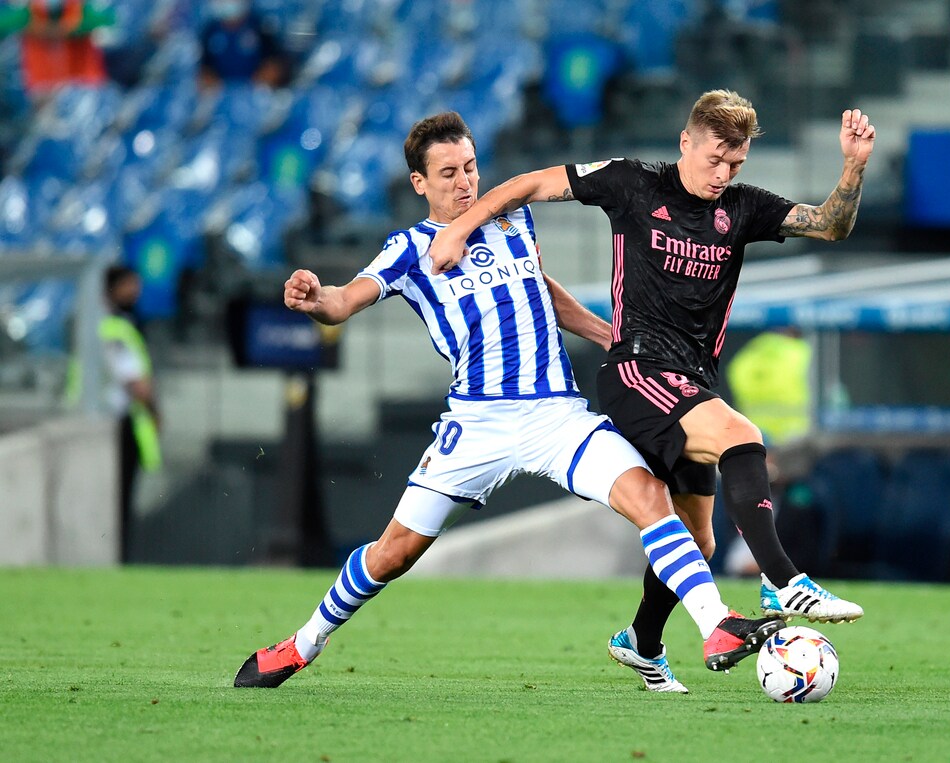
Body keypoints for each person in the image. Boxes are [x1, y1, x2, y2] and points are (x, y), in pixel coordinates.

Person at [233, 112, 783, 691]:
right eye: (447, 173)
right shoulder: (409, 248)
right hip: (477, 421)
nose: (464, 182)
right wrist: (317, 297)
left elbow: (540, 288)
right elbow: (346, 301)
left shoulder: (513, 218)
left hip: (556, 413)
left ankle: (715, 625)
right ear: (419, 183)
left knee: (651, 497)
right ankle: (302, 644)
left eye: (470, 168)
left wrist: (609, 336)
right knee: (392, 555)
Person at [428, 90, 873, 692]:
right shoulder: (632, 183)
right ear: (686, 142)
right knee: (744, 437)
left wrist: (852, 166)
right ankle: (782, 580)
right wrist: (458, 228)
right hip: (636, 371)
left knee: (699, 537)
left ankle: (641, 641)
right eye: (715, 158)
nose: (723, 174)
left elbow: (829, 224)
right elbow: (528, 185)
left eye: (735, 164)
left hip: (691, 380)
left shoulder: (742, 209)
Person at [68, 266, 163, 562]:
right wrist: (155, 411)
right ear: (112, 289)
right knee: (119, 502)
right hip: (119, 424)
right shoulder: (117, 327)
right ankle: (116, 558)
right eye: (128, 285)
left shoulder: (93, 325)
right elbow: (135, 382)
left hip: (94, 422)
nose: (135, 291)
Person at [0, 0, 114, 101]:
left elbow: (111, 21)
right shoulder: (26, 16)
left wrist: (72, 28)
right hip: (43, 94)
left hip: (86, 93)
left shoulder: (83, 13)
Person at [197, 0, 287, 90]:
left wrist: (257, 87)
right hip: (222, 94)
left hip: (256, 92)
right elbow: (204, 71)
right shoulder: (210, 31)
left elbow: (274, 65)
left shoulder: (260, 27)